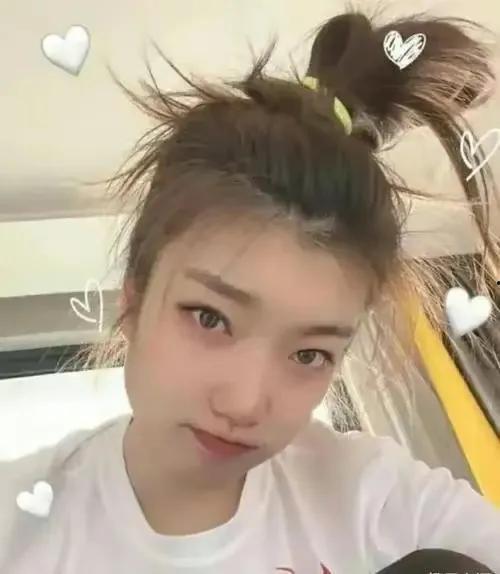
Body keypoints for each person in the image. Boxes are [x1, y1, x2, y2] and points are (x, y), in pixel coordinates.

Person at [1, 7, 500, 574]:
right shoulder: (19, 526)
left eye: (309, 354)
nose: (245, 404)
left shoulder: (377, 499)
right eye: (210, 318)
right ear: (134, 301)